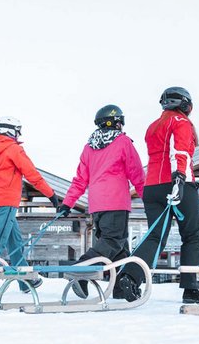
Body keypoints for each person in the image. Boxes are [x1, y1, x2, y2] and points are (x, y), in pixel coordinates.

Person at [117, 87, 199, 304]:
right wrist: (179, 179)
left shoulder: (152, 126)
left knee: (155, 237)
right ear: (186, 104)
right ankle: (191, 289)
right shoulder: (181, 122)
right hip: (178, 183)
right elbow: (180, 152)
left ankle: (129, 276)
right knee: (193, 236)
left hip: (153, 187)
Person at [58, 104, 145, 298]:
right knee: (112, 241)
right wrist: (149, 200)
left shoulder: (89, 147)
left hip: (97, 206)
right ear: (117, 123)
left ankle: (121, 288)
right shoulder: (123, 142)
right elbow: (136, 174)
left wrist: (67, 203)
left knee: (120, 248)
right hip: (116, 202)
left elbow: (80, 179)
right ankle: (81, 270)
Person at [0, 116, 59, 293]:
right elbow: (32, 174)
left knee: (15, 243)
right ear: (10, 131)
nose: (19, 134)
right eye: (18, 130)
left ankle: (25, 280)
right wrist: (51, 195)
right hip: (7, 202)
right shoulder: (13, 150)